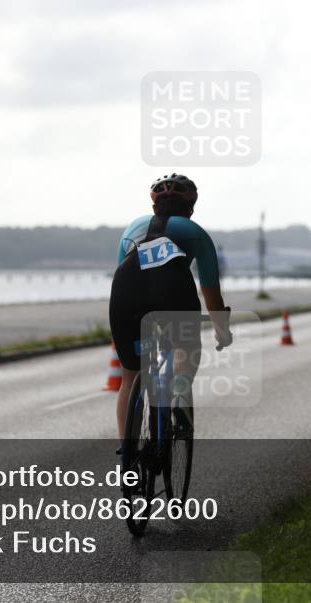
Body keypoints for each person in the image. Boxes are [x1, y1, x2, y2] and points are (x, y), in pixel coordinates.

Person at [109, 174, 232, 452]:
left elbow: (122, 272)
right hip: (173, 285)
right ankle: (178, 395)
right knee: (185, 348)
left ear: (154, 206)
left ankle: (127, 452)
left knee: (130, 376)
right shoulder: (195, 231)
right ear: (190, 206)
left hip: (126, 287)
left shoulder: (132, 227)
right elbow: (211, 295)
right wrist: (222, 332)